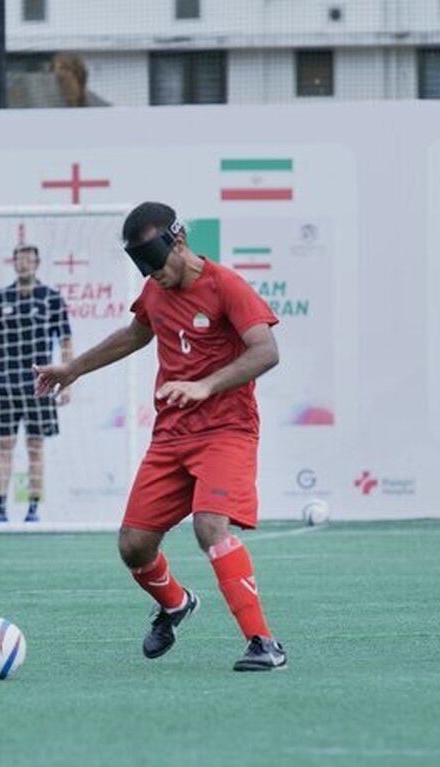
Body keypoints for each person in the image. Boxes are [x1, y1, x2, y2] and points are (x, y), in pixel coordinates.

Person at [34, 201, 286, 671]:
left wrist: (206, 384)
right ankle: (175, 603)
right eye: (143, 267)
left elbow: (266, 350)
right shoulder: (155, 291)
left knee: (209, 526)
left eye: (157, 262)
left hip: (226, 431)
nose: (153, 275)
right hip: (171, 437)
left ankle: (263, 643)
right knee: (133, 545)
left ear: (181, 240)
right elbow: (134, 335)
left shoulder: (226, 285)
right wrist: (73, 369)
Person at [0, 243, 73, 523]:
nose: (24, 264)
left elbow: (65, 341)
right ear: (13, 263)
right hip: (7, 384)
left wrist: (68, 380)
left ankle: (33, 509)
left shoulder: (52, 298)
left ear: (37, 263)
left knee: (35, 446)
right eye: (19, 260)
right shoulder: (0, 298)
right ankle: (0, 509)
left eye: (29, 260)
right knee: (5, 443)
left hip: (40, 384)